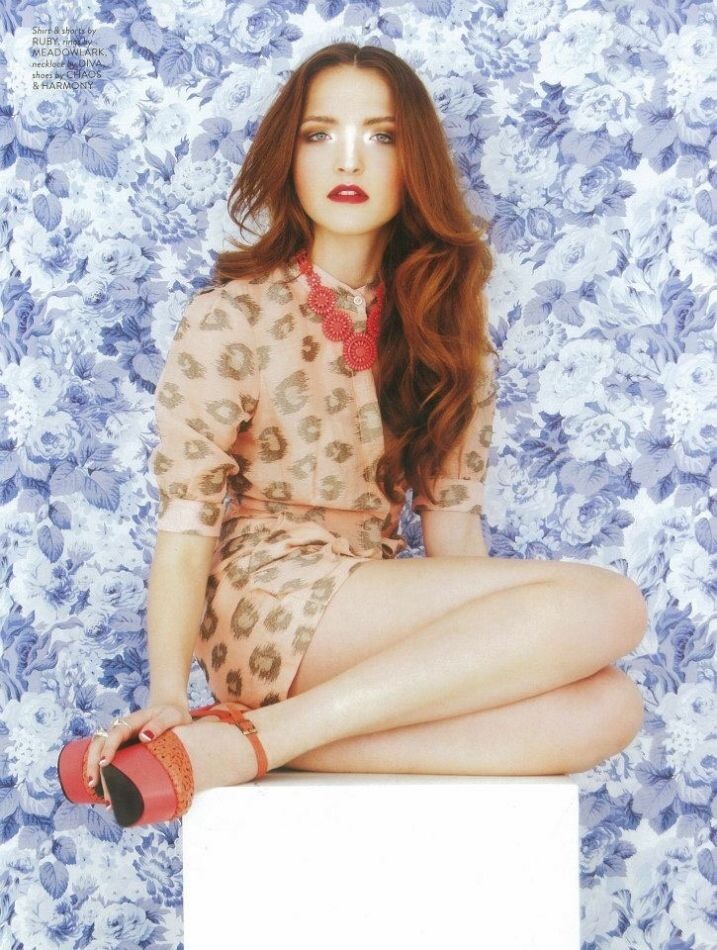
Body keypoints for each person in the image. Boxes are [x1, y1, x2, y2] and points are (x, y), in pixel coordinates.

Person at [59, 43, 647, 828]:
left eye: (380, 136)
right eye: (318, 134)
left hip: (367, 612)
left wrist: (494, 667)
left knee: (607, 709)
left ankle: (251, 741)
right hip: (265, 598)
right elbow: (187, 520)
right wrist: (167, 692)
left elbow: (453, 525)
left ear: (414, 163)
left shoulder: (447, 329)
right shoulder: (234, 314)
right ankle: (249, 734)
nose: (347, 159)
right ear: (289, 157)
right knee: (611, 605)